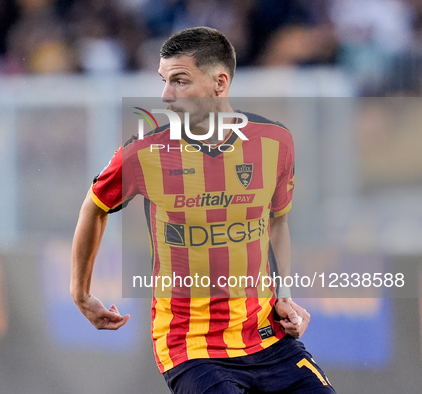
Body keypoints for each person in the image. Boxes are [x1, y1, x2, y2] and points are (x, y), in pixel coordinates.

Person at [71, 27, 336, 393]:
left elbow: (277, 222)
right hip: (191, 346)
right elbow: (94, 206)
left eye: (179, 81)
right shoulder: (144, 153)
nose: (166, 95)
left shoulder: (275, 142)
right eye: (163, 81)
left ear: (219, 82)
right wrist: (80, 293)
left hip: (267, 337)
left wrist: (284, 293)